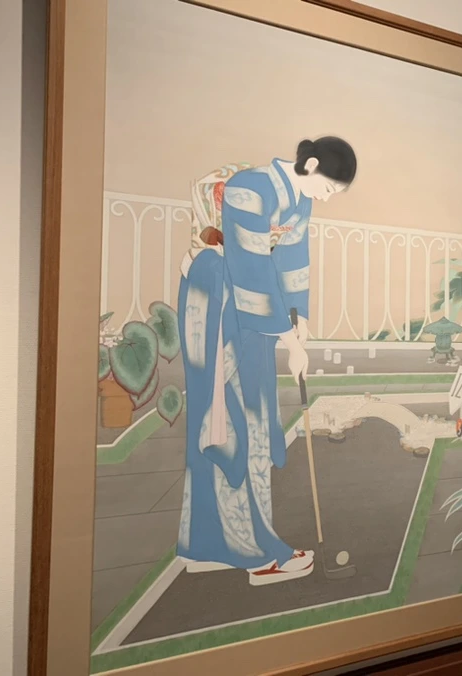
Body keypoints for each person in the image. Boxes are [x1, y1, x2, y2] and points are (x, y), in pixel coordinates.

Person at [175, 137, 356, 585]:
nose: (326, 198)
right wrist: (289, 341)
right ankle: (254, 552)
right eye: (328, 187)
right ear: (310, 164)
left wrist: (300, 320)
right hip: (216, 300)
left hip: (250, 310)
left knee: (241, 418)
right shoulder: (250, 187)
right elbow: (252, 268)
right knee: (231, 419)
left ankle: (206, 546)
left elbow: (293, 261)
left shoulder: (299, 200)